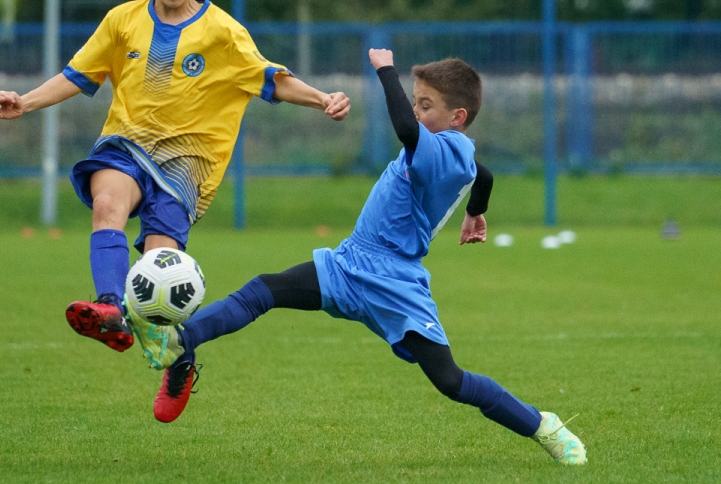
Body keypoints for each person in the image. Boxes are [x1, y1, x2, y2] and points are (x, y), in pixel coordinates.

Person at [127, 49, 587, 466]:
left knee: (450, 381)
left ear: (457, 116)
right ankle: (180, 344)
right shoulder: (451, 148)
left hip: (395, 282)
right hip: (350, 264)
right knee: (264, 290)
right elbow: (482, 173)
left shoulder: (441, 148)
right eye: (415, 100)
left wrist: (385, 69)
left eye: (426, 105)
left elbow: (409, 132)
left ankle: (542, 424)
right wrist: (476, 212)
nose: (415, 111)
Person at [0, 0, 350, 353]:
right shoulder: (122, 22)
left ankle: (172, 356)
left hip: (186, 167)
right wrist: (25, 101)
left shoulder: (223, 33)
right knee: (107, 204)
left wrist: (323, 99)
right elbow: (77, 74)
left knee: (158, 274)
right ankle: (109, 308)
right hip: (126, 145)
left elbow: (272, 79)